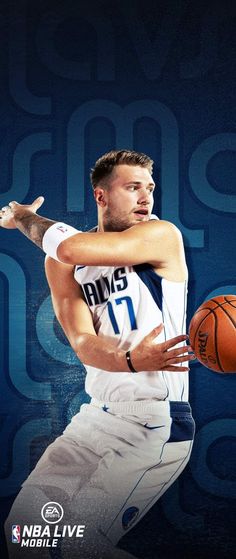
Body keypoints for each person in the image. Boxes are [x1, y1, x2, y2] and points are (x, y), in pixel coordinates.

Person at [1, 150, 195, 559]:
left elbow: (69, 246)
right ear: (101, 196)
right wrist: (129, 359)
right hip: (97, 416)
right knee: (24, 534)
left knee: (74, 545)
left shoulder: (161, 236)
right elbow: (83, 343)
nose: (146, 197)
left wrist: (22, 216)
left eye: (150, 188)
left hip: (154, 424)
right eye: (132, 187)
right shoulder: (62, 265)